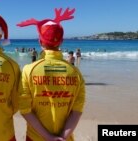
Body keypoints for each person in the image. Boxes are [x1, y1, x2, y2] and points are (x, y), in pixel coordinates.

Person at [17, 8, 86, 141]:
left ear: (40, 41)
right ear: (61, 41)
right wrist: (62, 137)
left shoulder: (28, 70)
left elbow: (25, 109)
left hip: (35, 137)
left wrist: (48, 137)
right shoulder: (76, 73)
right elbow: (77, 111)